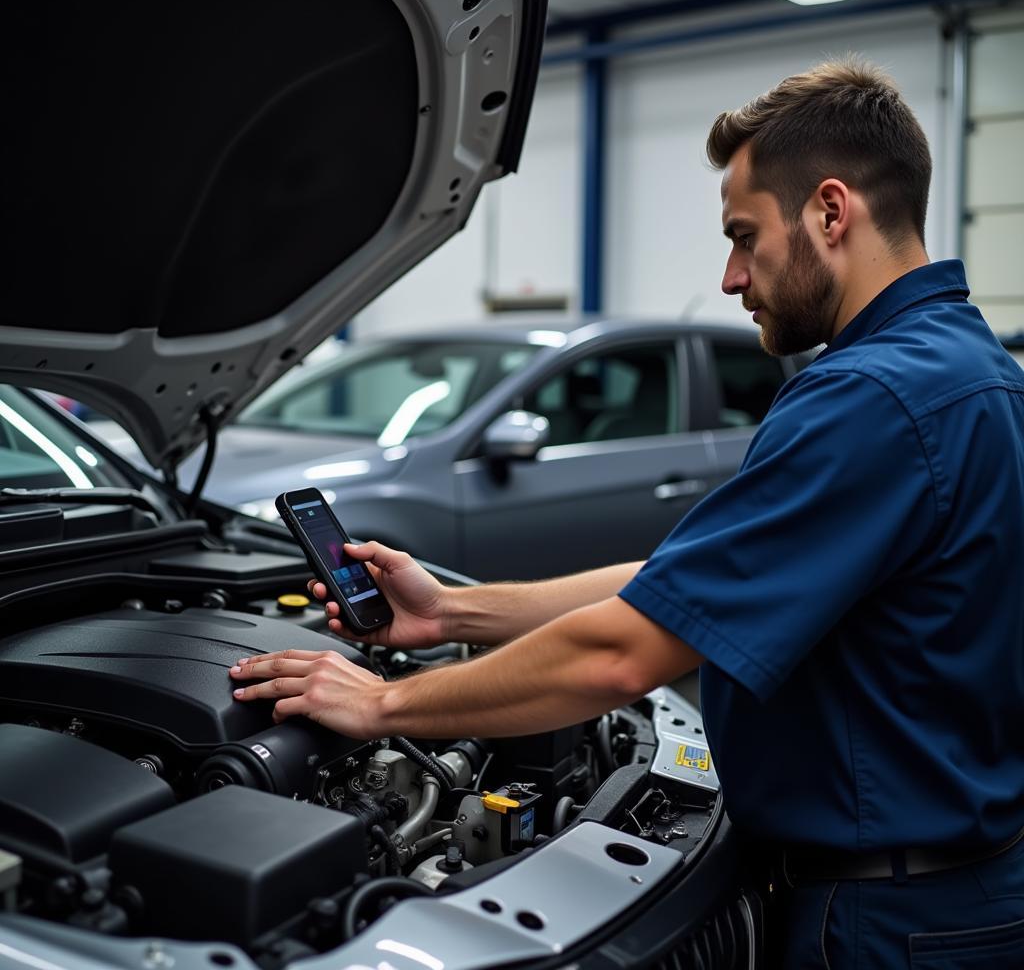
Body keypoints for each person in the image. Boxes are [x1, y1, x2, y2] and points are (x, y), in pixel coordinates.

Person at [230, 60, 1024, 967]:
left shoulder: (871, 397)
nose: (732, 276)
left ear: (831, 212)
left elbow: (624, 652)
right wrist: (452, 611)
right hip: (951, 890)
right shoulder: (970, 369)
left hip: (888, 922)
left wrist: (381, 706)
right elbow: (680, 591)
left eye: (743, 235)